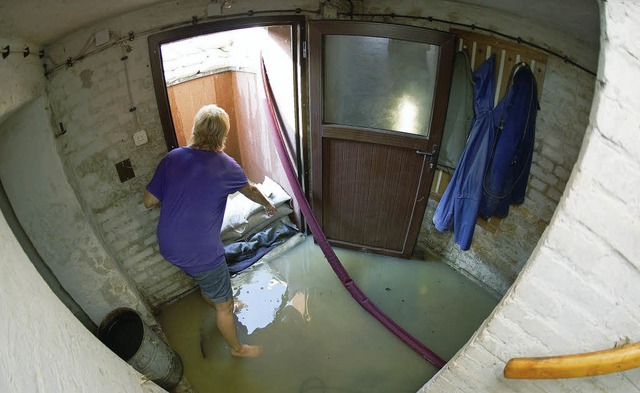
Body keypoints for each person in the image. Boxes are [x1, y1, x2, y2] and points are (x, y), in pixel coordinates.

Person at [143, 104, 277, 358]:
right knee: (224, 307)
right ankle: (238, 348)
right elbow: (250, 190)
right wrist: (269, 205)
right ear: (222, 136)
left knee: (205, 279)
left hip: (169, 247)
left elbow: (149, 200)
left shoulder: (173, 158)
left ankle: (219, 296)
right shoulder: (227, 167)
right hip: (202, 253)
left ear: (195, 130)